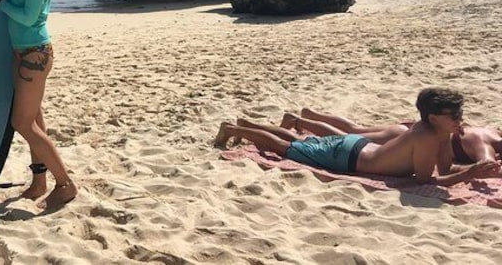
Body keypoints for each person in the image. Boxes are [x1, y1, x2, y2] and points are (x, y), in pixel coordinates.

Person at [213, 88, 502, 186]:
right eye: (455, 116)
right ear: (435, 117)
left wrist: (472, 170)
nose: (460, 120)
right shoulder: (427, 135)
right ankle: (234, 129)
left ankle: (244, 124)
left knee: (299, 143)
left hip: (359, 149)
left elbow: (445, 169)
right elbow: (426, 180)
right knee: (287, 148)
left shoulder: (439, 132)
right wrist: (468, 175)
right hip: (349, 158)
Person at [0, 0, 78, 210]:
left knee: (23, 123)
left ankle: (65, 184)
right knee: (36, 118)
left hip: (35, 52)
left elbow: (29, 17)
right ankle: (40, 181)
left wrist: (1, 2)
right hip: (23, 51)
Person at [280, 107, 502, 164]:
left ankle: (310, 115)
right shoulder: (483, 144)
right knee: (349, 136)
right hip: (410, 136)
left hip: (413, 129)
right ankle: (298, 121)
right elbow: (486, 166)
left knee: (356, 130)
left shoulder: (492, 132)